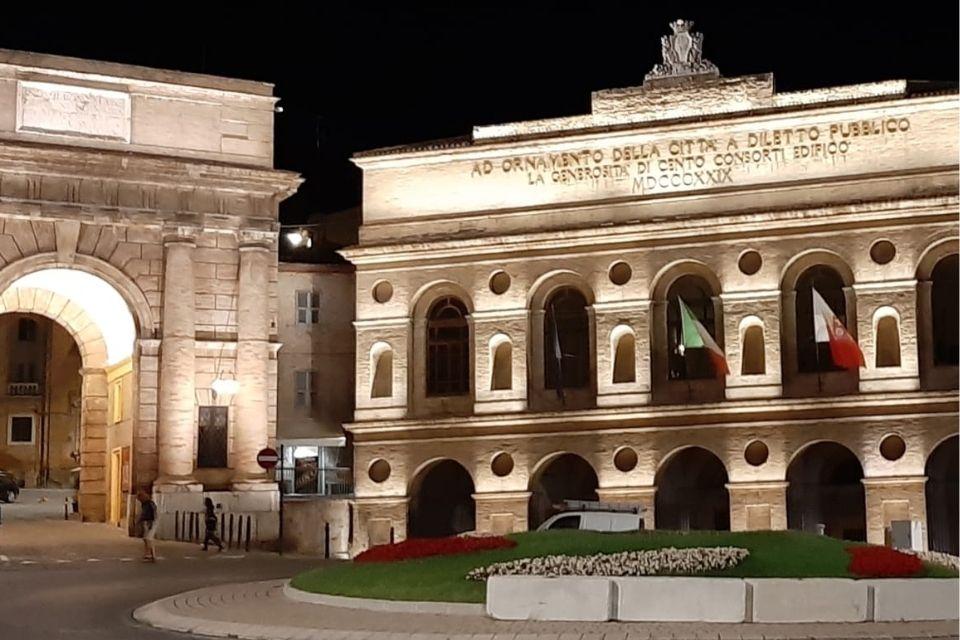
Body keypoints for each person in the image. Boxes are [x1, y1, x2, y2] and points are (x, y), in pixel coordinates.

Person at [136, 489, 158, 562]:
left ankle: (151, 555)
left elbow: (152, 514)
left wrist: (151, 523)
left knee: (148, 538)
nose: (139, 501)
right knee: (146, 538)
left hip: (152, 522)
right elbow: (144, 514)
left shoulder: (149, 504)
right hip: (148, 522)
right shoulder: (145, 503)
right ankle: (149, 555)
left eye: (139, 499)